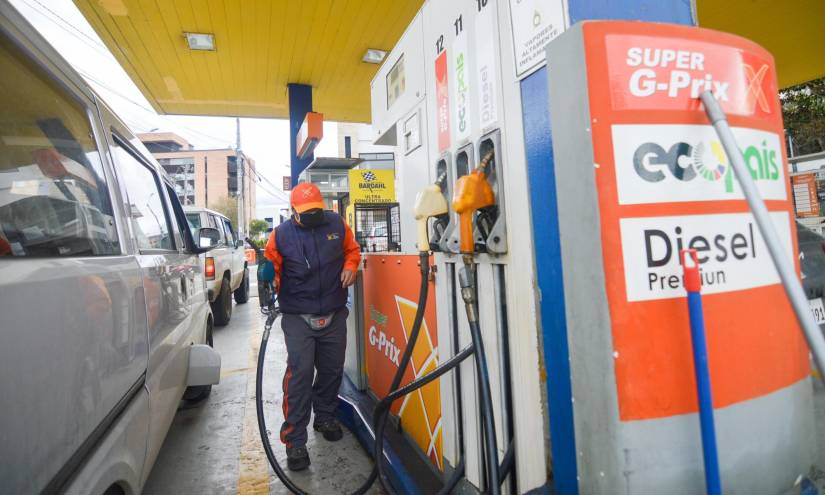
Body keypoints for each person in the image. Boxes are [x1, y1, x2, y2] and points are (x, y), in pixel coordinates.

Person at [264, 182, 361, 471]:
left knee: (332, 369)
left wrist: (351, 266)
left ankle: (325, 416)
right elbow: (272, 269)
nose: (312, 215)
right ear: (293, 211)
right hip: (298, 315)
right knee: (301, 374)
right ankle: (294, 440)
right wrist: (269, 285)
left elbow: (352, 250)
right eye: (305, 212)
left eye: (315, 210)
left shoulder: (336, 224)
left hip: (333, 310)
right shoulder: (280, 236)